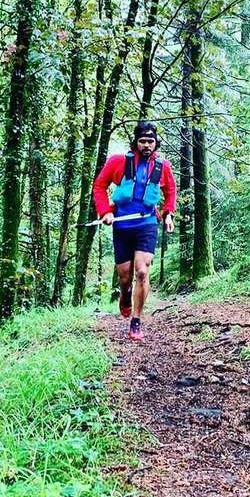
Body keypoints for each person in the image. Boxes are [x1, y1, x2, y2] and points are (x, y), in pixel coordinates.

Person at [92, 121, 176, 341]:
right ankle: (125, 294)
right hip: (122, 224)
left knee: (142, 271)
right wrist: (105, 213)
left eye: (151, 141)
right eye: (142, 141)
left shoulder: (162, 166)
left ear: (156, 143)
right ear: (135, 142)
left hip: (147, 223)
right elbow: (99, 186)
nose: (147, 145)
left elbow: (171, 190)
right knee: (125, 276)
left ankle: (136, 321)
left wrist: (168, 214)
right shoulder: (118, 162)